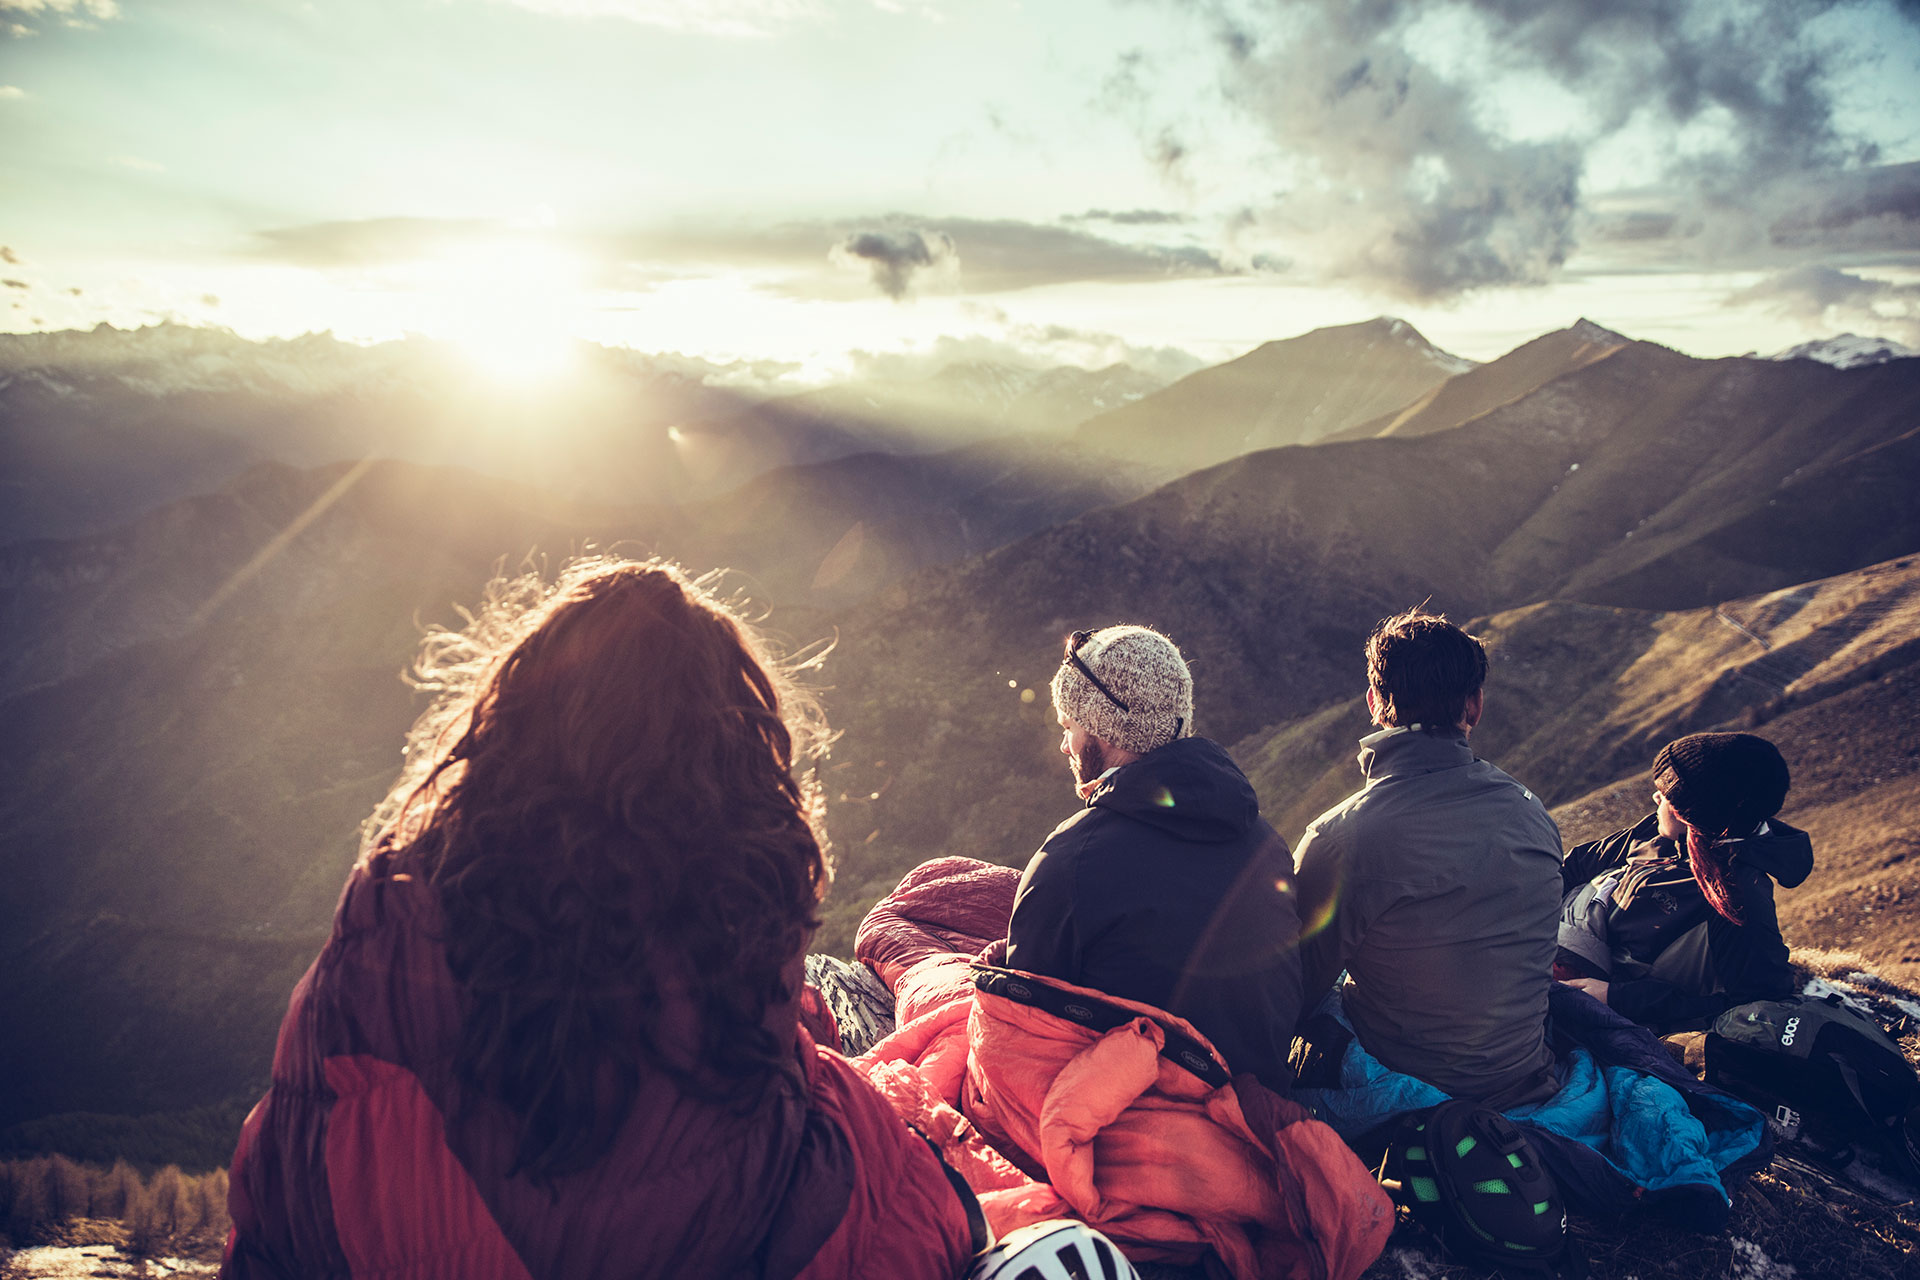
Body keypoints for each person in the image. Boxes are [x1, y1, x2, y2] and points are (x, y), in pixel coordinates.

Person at [222, 557, 979, 1280]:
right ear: (733, 763)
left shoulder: (383, 926)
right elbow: (889, 1213)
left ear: (510, 727)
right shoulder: (737, 934)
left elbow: (284, 1195)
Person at [1002, 624, 1303, 1093]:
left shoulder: (1071, 862)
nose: (1065, 745)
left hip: (1141, 1124)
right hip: (1262, 1107)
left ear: (1105, 728)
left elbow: (1022, 1030)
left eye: (1069, 726)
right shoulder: (1267, 843)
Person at [1292, 609, 1562, 1109]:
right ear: (1475, 706)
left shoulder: (1341, 838)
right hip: (1523, 1070)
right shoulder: (1532, 813)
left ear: (1374, 703)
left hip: (1413, 1084)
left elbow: (1293, 989)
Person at [1557, 732, 1812, 1031]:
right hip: (1554, 939)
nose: (1656, 798)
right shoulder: (1661, 831)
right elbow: (1574, 866)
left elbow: (1755, 1007)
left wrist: (1617, 998)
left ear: (1698, 815)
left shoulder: (1739, 896)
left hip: (1592, 991)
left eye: (1666, 795)